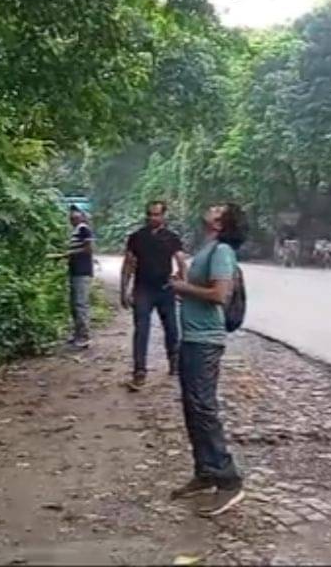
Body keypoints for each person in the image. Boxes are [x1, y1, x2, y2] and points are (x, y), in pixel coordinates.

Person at [167, 202, 247, 517]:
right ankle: (205, 472)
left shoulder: (223, 251)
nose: (211, 208)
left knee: (203, 407)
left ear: (222, 221)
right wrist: (183, 289)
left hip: (206, 340)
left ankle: (229, 480)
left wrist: (181, 286)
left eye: (218, 208)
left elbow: (219, 295)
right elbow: (202, 290)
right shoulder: (209, 248)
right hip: (192, 337)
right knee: (192, 407)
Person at [121, 201, 187, 388]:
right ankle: (139, 370)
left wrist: (183, 284)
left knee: (171, 328)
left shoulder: (171, 238)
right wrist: (124, 289)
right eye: (150, 214)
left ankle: (173, 360)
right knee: (141, 329)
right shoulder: (137, 237)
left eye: (157, 214)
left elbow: (181, 261)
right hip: (143, 289)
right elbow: (128, 263)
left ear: (164, 215)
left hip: (165, 288)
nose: (153, 218)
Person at [51, 206, 95, 348]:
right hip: (75, 271)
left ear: (82, 216)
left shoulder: (84, 229)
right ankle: (77, 333)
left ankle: (84, 336)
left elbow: (88, 249)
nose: (73, 218)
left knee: (80, 304)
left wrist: (65, 255)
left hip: (82, 271)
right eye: (71, 216)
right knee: (75, 304)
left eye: (76, 215)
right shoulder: (75, 231)